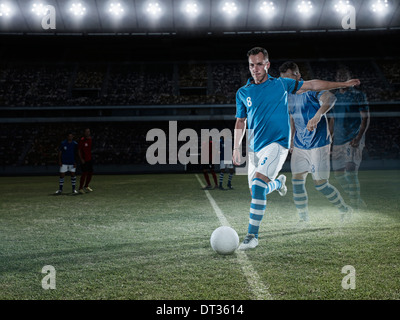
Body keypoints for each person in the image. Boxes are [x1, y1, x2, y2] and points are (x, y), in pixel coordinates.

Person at [232, 47, 360, 250]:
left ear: (267, 65)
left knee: (260, 186)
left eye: (259, 64)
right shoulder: (243, 93)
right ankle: (279, 183)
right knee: (257, 191)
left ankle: (252, 236)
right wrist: (236, 147)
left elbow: (312, 85)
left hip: (277, 145)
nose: (255, 69)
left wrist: (342, 84)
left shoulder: (282, 85)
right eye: (251, 65)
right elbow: (240, 121)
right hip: (256, 148)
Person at [279, 61, 352, 224]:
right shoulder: (288, 95)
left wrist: (318, 115)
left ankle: (344, 209)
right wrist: (291, 139)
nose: (286, 83)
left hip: (319, 143)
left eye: (289, 78)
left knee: (320, 184)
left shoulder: (311, 90)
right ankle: (303, 218)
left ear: (298, 76)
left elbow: (330, 98)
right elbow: (292, 117)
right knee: (297, 180)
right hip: (299, 144)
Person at [330, 68, 370, 210]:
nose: (341, 78)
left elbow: (365, 117)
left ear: (349, 78)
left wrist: (359, 137)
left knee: (350, 170)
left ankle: (354, 206)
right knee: (338, 174)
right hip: (338, 140)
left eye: (344, 75)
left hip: (353, 137)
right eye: (339, 75)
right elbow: (333, 120)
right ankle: (357, 199)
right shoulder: (334, 96)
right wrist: (330, 139)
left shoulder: (358, 95)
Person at [78, 128, 94, 194]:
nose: (88, 133)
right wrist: (81, 159)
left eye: (89, 131)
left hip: (89, 159)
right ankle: (80, 188)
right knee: (84, 173)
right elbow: (79, 150)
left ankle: (86, 186)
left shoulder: (90, 139)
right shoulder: (82, 140)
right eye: (86, 131)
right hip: (84, 160)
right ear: (84, 132)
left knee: (90, 173)